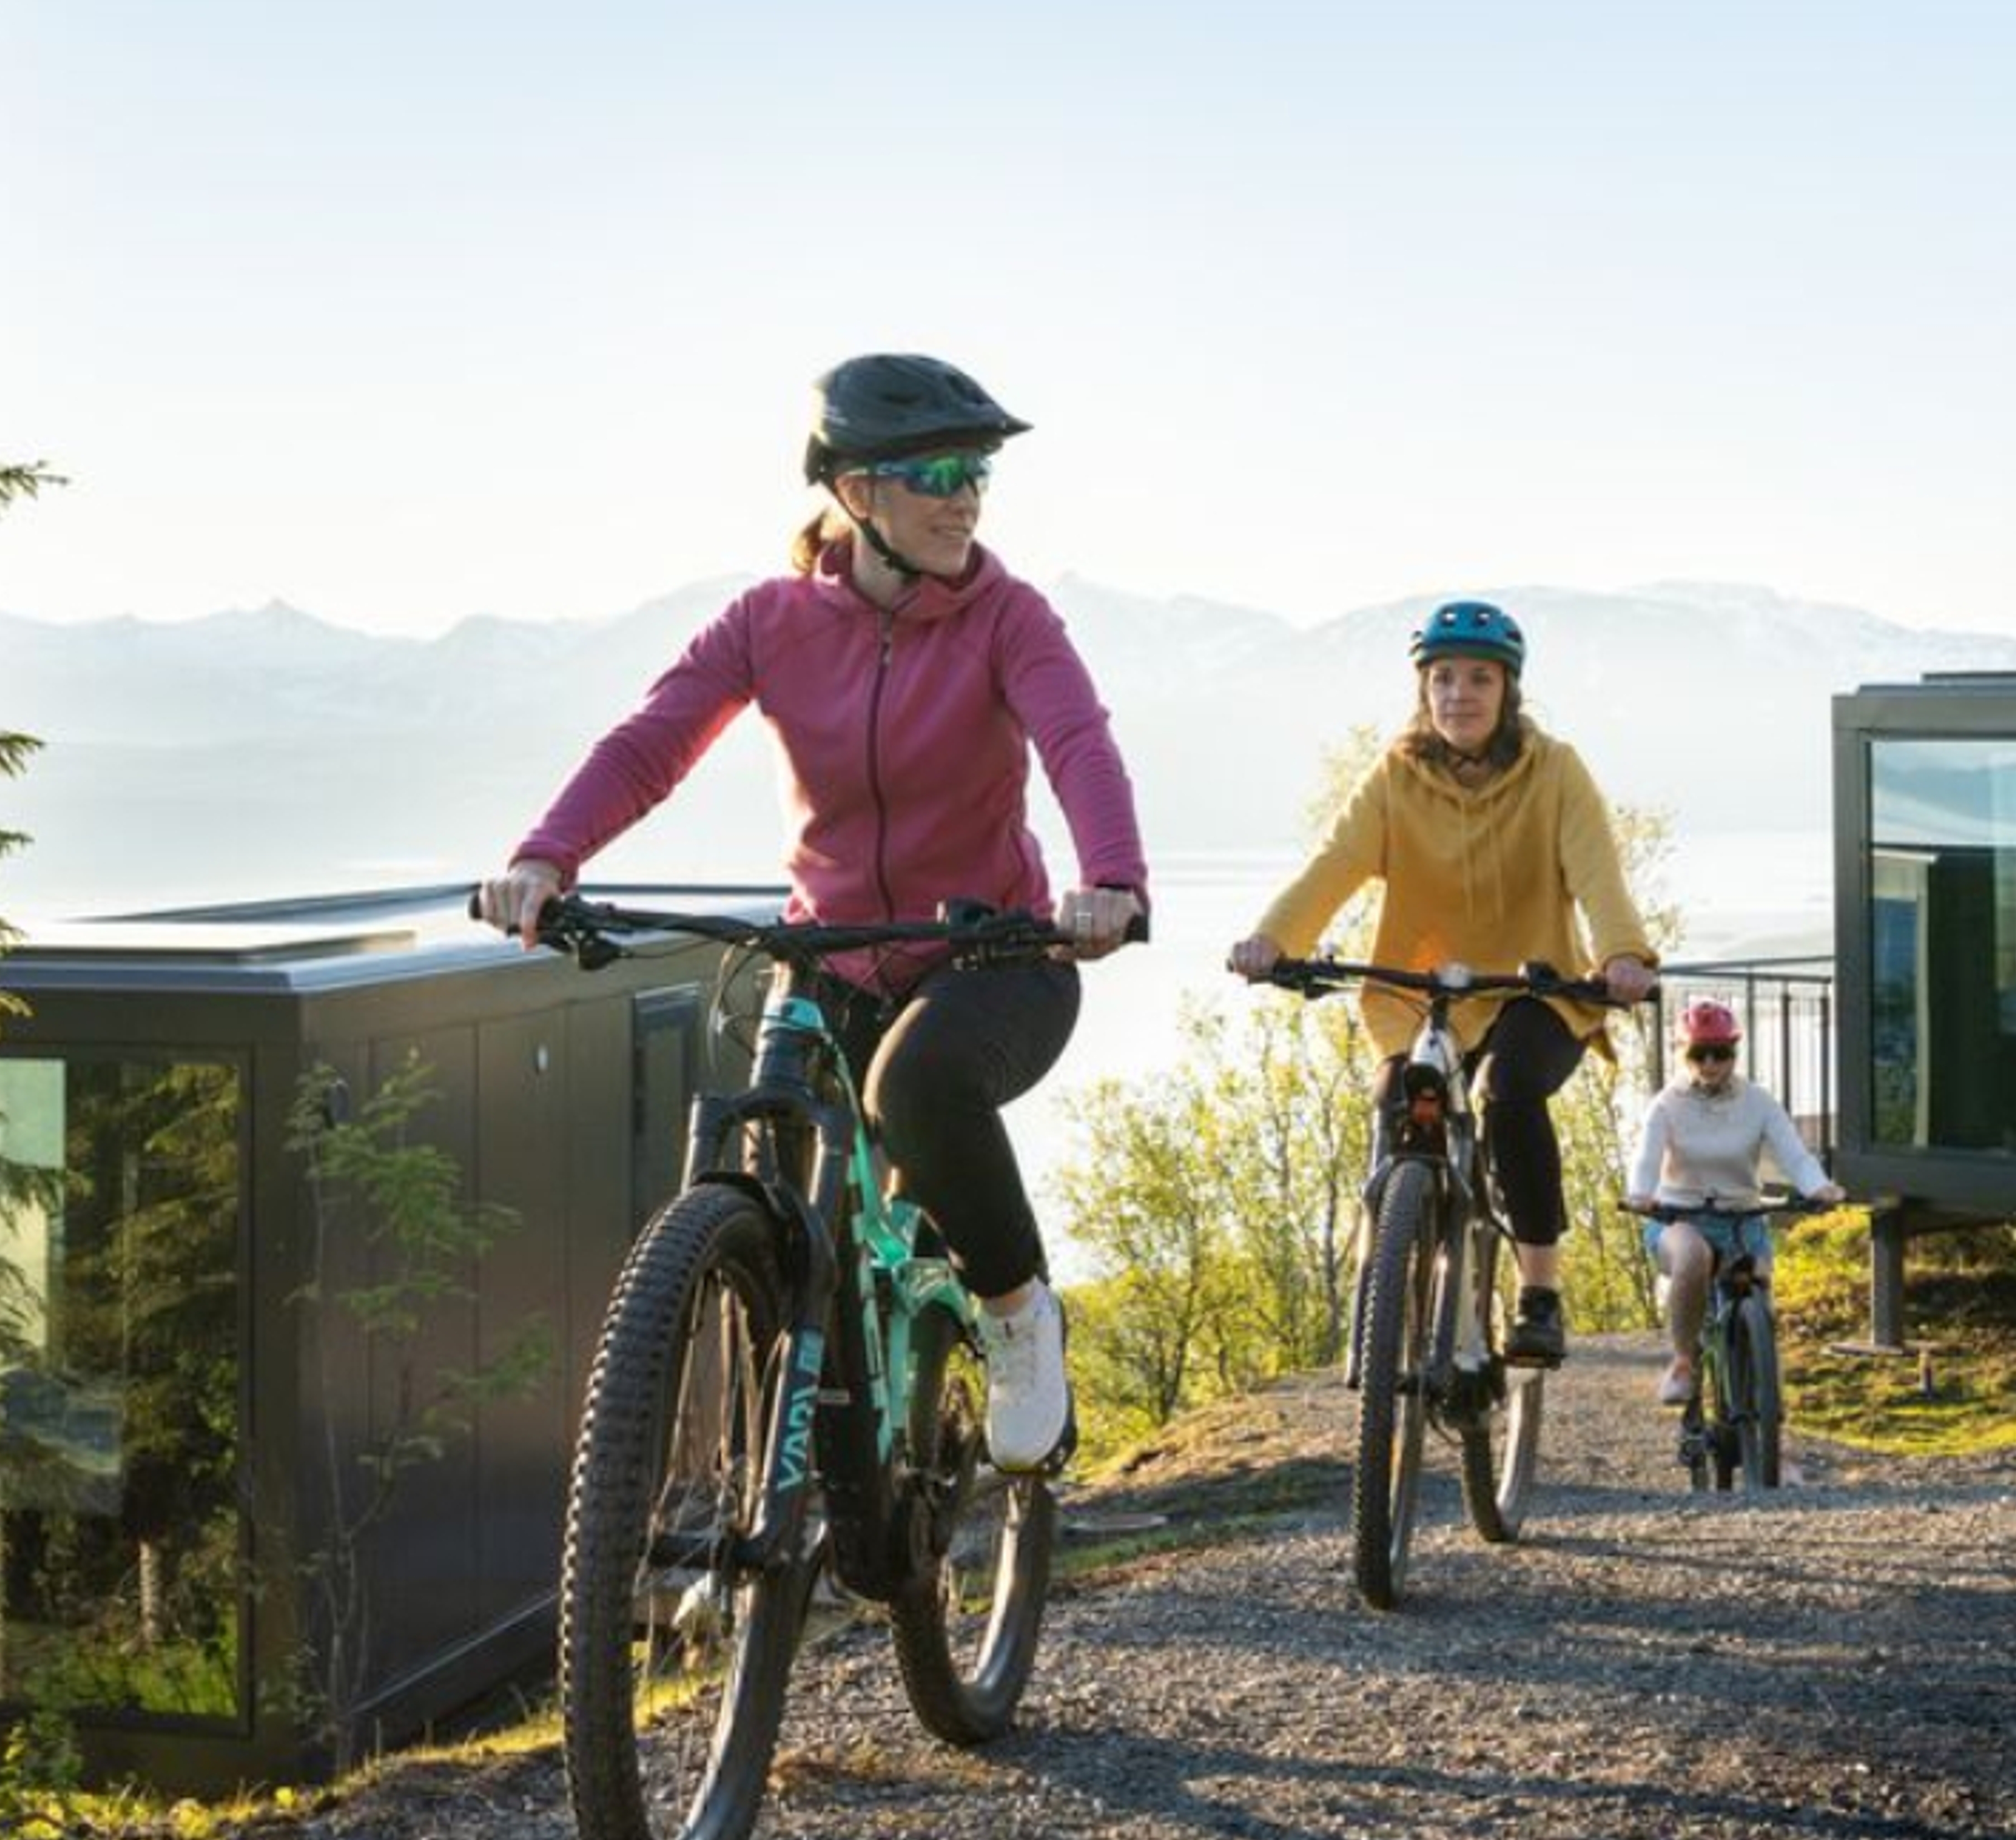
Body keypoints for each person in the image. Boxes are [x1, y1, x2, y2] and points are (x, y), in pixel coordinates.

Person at [477, 351, 1148, 1471]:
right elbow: (654, 740)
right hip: (831, 951)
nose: (965, 495)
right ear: (853, 490)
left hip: (994, 955)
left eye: (977, 469)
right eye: (936, 470)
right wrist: (547, 858)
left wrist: (1113, 882)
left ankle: (1020, 1312)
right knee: (781, 1148)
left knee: (917, 1088)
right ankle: (783, 1476)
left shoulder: (1010, 619)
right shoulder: (769, 621)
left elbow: (1080, 741)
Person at [1228, 598, 1653, 1367]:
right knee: (1400, 1099)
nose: (1459, 694)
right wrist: (1274, 939)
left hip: (1534, 990)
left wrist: (1622, 954)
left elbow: (1597, 874)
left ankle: (1539, 1293)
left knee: (1510, 1095)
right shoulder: (1396, 776)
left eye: (1479, 679)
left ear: (1508, 690)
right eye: (1444, 678)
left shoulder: (1556, 771)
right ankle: (1398, 1276)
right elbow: (1335, 863)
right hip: (1417, 994)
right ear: (1424, 689)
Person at [1627, 998, 1844, 1405]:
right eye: (1699, 1054)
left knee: (1762, 1310)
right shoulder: (1666, 1105)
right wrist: (1640, 1194)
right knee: (1692, 1259)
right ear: (1683, 1053)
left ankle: (1773, 1445)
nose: (1710, 1064)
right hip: (1678, 1218)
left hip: (1742, 1221)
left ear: (1734, 1053)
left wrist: (1818, 1187)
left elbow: (1794, 1154)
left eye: (1721, 1053)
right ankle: (1682, 1363)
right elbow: (1646, 1158)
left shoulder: (1758, 1102)